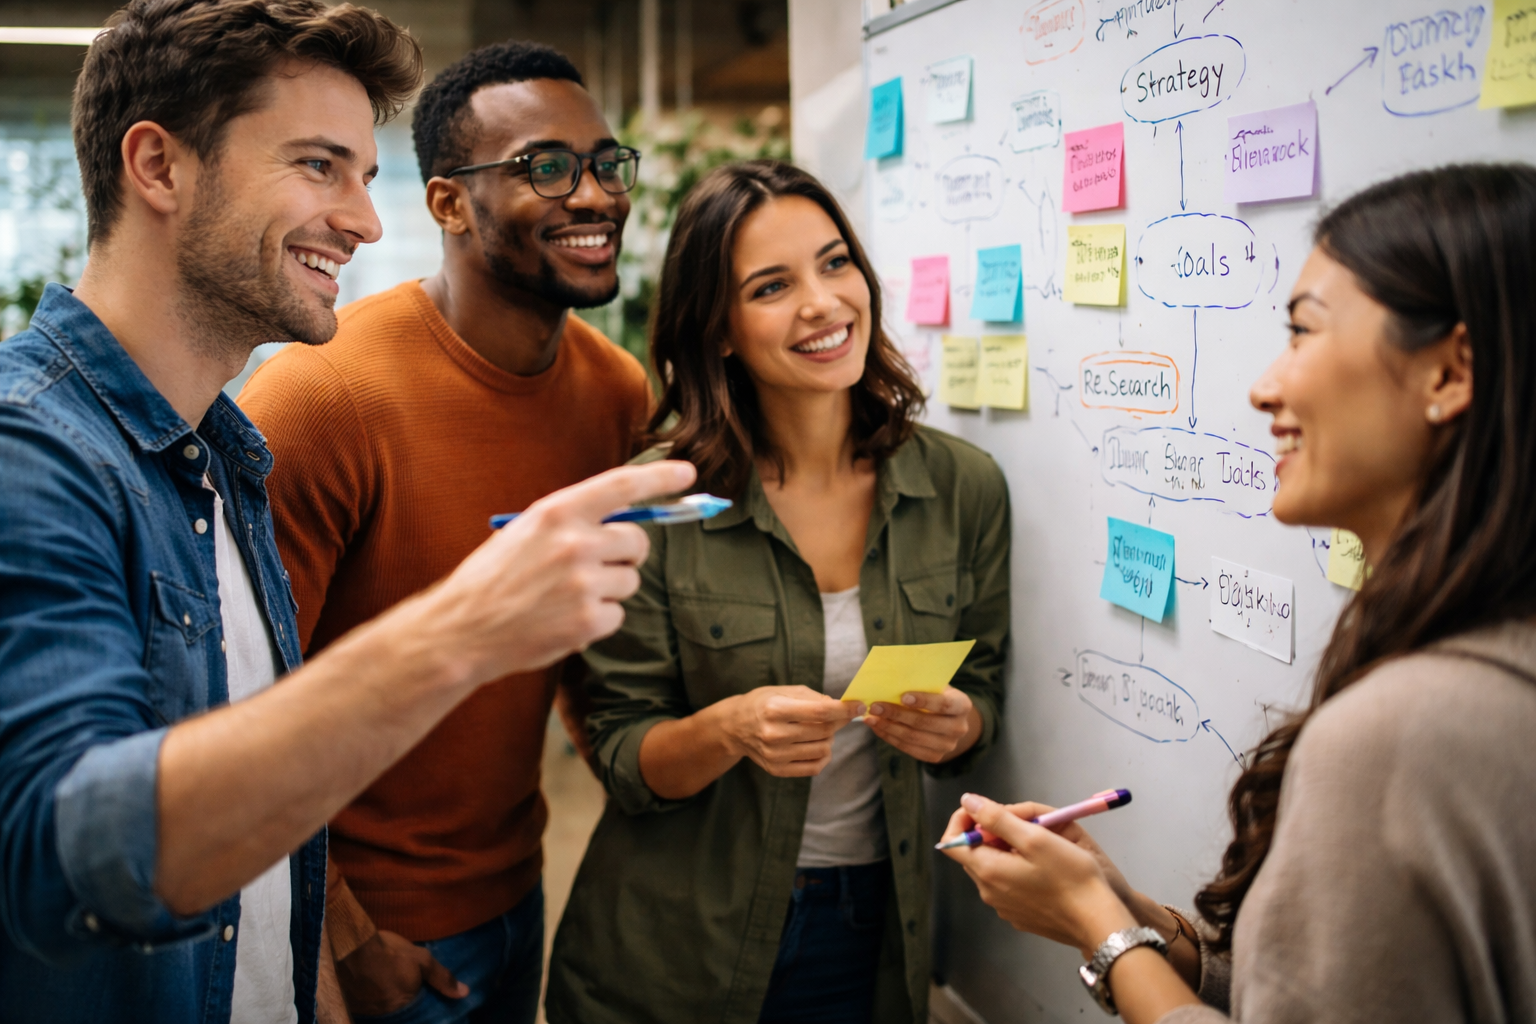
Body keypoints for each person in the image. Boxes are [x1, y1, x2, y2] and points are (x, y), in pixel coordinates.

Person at [0, 3, 693, 1022]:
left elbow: (258, 790)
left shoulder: (222, 456)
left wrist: (311, 962)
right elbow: (64, 856)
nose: (369, 221)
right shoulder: (35, 455)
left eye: (365, 176)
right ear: (157, 166)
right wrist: (463, 628)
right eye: (319, 166)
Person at [940, 164, 1536, 1023]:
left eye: (1303, 332)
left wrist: (1097, 927)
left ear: (1450, 372)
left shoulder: (1398, 737)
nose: (1265, 387)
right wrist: (1134, 914)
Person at [237, 40, 651, 1024]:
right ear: (447, 203)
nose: (592, 194)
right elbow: (242, 696)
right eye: (545, 166)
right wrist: (343, 931)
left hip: (522, 885)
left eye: (604, 163)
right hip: (372, 924)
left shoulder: (613, 392)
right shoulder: (319, 393)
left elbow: (591, 658)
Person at [544, 160, 1012, 1024]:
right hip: (676, 940)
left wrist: (961, 723)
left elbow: (983, 689)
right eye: (772, 286)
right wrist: (727, 730)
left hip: (869, 929)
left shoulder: (962, 488)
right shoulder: (657, 506)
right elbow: (619, 752)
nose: (824, 303)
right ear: (718, 330)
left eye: (836, 264)